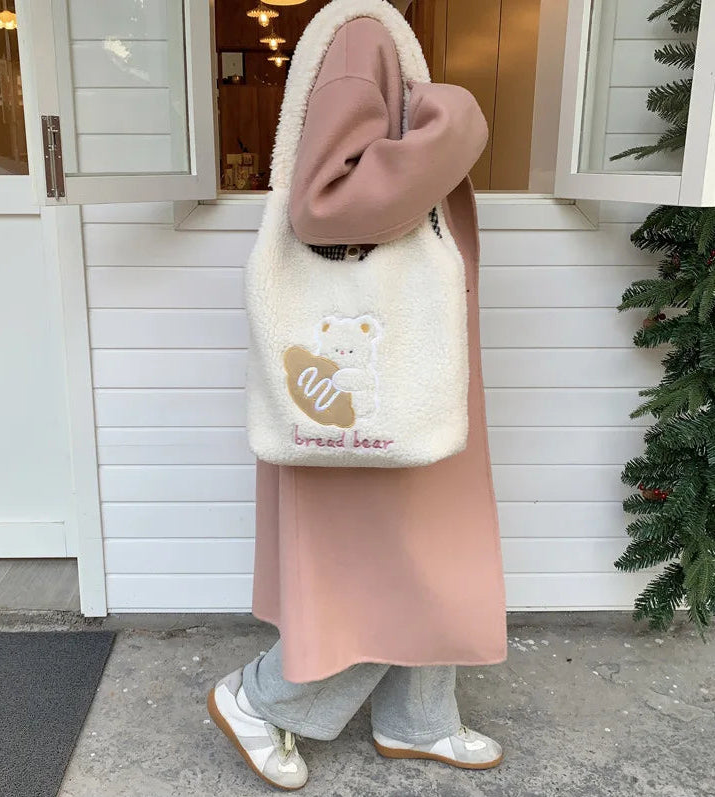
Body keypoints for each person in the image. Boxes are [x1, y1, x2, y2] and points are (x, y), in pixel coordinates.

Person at [208, 0, 507, 789]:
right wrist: (455, 121)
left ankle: (418, 715)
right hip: (387, 364)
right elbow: (324, 204)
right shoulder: (361, 37)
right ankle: (260, 697)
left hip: (406, 356)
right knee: (404, 558)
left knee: (427, 541)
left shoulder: (374, 39)